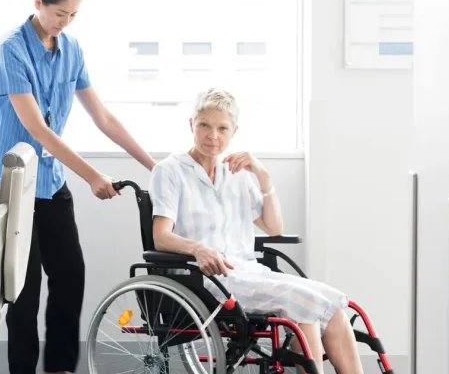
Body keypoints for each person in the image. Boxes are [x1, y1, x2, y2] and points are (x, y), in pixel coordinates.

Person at [0, 0, 157, 373]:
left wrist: (155, 167)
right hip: (7, 179)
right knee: (24, 286)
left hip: (49, 178)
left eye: (74, 14)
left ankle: (60, 369)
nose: (66, 22)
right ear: (38, 2)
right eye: (60, 13)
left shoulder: (71, 48)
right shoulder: (10, 50)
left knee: (70, 275)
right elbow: (37, 129)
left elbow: (103, 117)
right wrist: (92, 175)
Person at [149, 88, 364, 374]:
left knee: (335, 303)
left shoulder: (236, 172)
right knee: (307, 303)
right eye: (204, 125)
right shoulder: (170, 171)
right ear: (191, 124)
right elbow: (161, 237)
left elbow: (274, 227)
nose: (213, 136)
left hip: (249, 271)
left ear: (233, 131)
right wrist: (198, 248)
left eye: (222, 128)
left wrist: (263, 177)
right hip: (207, 276)